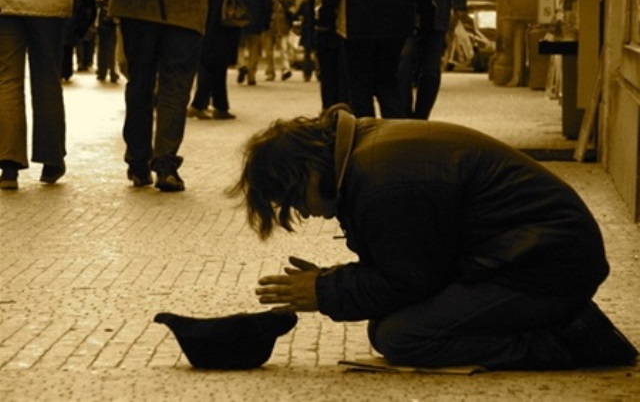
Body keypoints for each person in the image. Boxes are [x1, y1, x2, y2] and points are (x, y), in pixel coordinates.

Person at [227, 106, 639, 370]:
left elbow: (412, 279)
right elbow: (410, 259)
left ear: (307, 171)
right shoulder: (363, 155)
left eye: (296, 200)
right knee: (387, 325)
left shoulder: (381, 183)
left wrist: (325, 291)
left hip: (545, 266)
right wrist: (329, 281)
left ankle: (569, 342)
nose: (305, 213)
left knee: (402, 336)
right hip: (529, 253)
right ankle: (555, 320)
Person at [109, 0, 209, 192]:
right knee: (175, 86)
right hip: (185, 3)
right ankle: (165, 166)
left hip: (136, 2)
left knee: (139, 83)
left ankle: (138, 163)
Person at [0, 0, 97, 190]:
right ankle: (51, 159)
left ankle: (9, 162)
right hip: (49, 0)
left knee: (7, 80)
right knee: (48, 81)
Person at [317, 0, 434, 118]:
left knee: (360, 84)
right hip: (397, 13)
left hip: (357, 15)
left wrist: (327, 14)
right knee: (388, 80)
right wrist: (426, 9)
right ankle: (393, 127)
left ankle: (367, 128)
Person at [189, 0, 269, 120]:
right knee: (213, 63)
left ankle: (220, 106)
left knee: (217, 64)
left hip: (211, 18)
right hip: (221, 22)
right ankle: (198, 105)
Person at [411, 0, 467, 119]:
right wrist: (459, 6)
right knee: (411, 67)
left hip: (433, 8)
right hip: (414, 7)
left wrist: (459, 6)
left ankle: (419, 117)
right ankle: (408, 116)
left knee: (428, 68)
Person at [236, 0, 272, 86]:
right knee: (254, 49)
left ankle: (242, 65)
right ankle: (251, 75)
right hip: (256, 21)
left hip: (240, 20)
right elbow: (268, 6)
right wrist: (266, 23)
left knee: (239, 46)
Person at [263, 0, 295, 82]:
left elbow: (292, 8)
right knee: (269, 50)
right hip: (270, 23)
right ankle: (270, 72)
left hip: (283, 23)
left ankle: (286, 69)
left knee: (284, 48)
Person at [96, 0, 120, 83]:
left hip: (102, 16)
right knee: (112, 46)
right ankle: (112, 71)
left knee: (103, 46)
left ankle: (102, 71)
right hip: (111, 18)